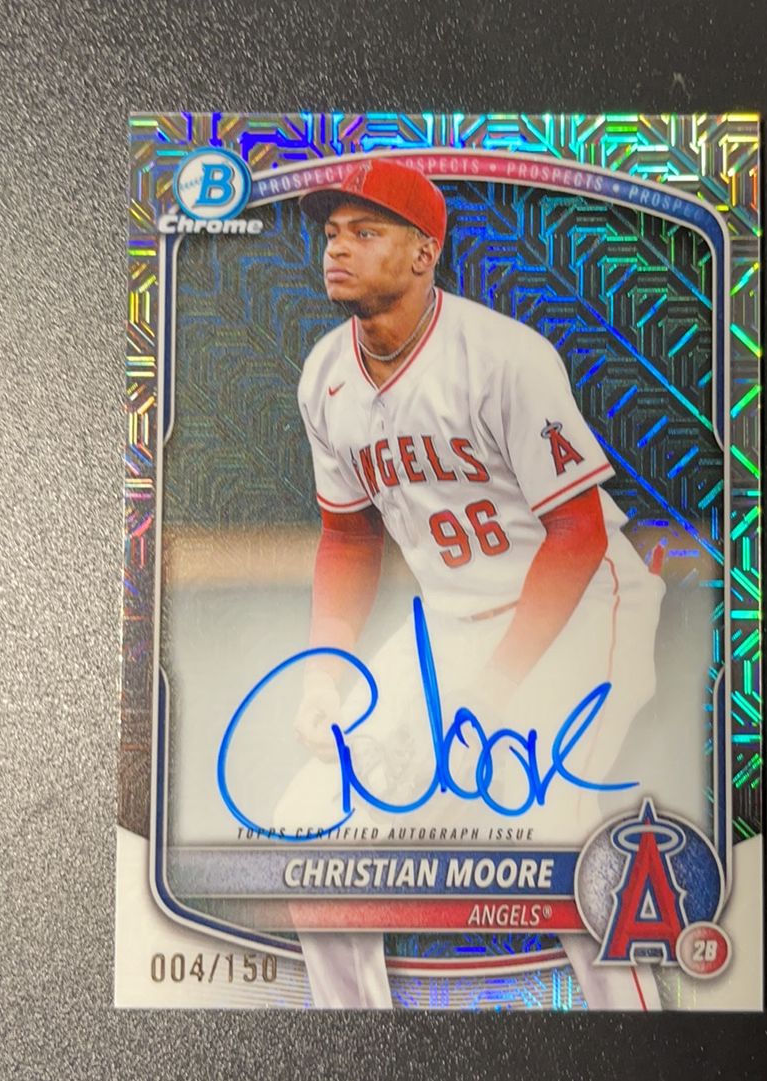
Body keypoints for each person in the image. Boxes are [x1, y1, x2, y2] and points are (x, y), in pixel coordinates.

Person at [280, 158, 668, 1009]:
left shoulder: (503, 358)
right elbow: (347, 536)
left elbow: (577, 531)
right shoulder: (325, 376)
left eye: (365, 231)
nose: (337, 247)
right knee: (312, 838)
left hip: (584, 606)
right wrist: (323, 676)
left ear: (425, 253)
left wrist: (494, 691)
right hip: (451, 623)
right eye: (332, 232)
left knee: (557, 843)